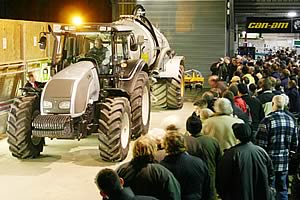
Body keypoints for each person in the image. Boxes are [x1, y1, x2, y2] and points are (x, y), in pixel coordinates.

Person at [216, 123, 275, 200]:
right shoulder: (261, 151)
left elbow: (222, 180)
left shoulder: (230, 154)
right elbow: (271, 173)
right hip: (261, 194)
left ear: (236, 135)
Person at [256, 95, 298, 200]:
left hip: (269, 162)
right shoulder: (291, 120)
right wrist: (290, 156)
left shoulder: (266, 121)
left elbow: (261, 145)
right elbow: (295, 143)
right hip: (284, 161)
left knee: (270, 189)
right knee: (283, 188)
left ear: (273, 104)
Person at [117, 136, 181, 200]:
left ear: (134, 150)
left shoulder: (123, 169)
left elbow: (114, 190)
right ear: (153, 150)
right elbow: (173, 194)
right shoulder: (161, 172)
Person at [160, 130, 213, 200]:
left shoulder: (161, 168)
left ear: (165, 146)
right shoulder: (198, 163)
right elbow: (207, 189)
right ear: (183, 143)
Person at [185, 115, 222, 200]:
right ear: (201, 127)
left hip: (191, 184)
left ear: (187, 128)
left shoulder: (184, 143)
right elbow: (219, 162)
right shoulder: (212, 141)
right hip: (210, 181)